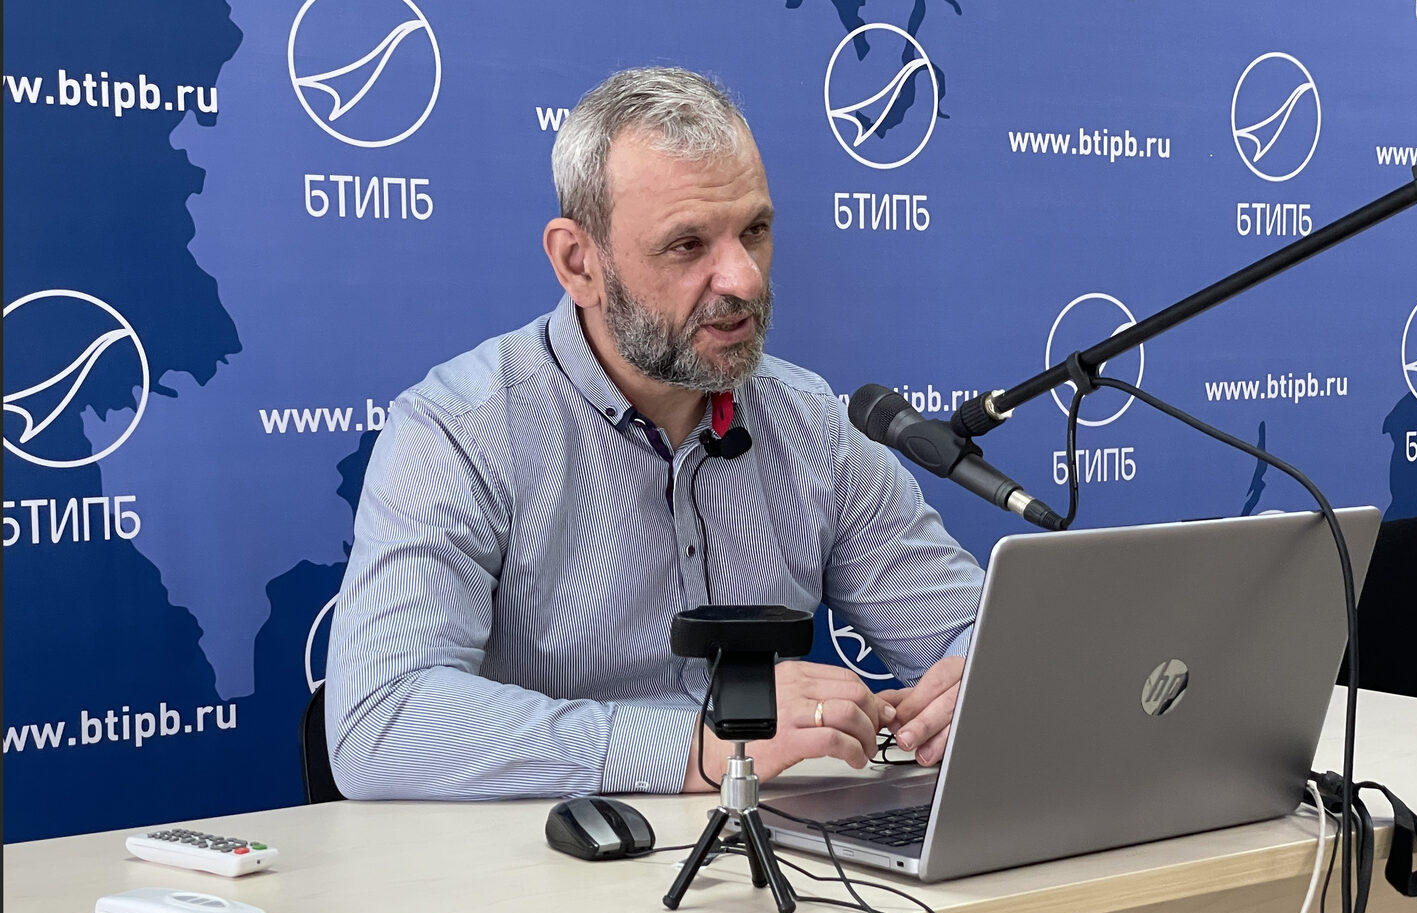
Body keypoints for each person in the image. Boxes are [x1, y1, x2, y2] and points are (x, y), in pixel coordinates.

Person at [325, 67, 982, 801]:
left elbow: (973, 636)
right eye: (687, 245)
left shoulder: (813, 427)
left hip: (783, 852)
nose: (743, 280)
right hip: (551, 858)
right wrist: (700, 745)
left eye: (755, 231)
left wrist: (987, 684)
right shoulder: (457, 428)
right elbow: (380, 722)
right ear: (579, 263)